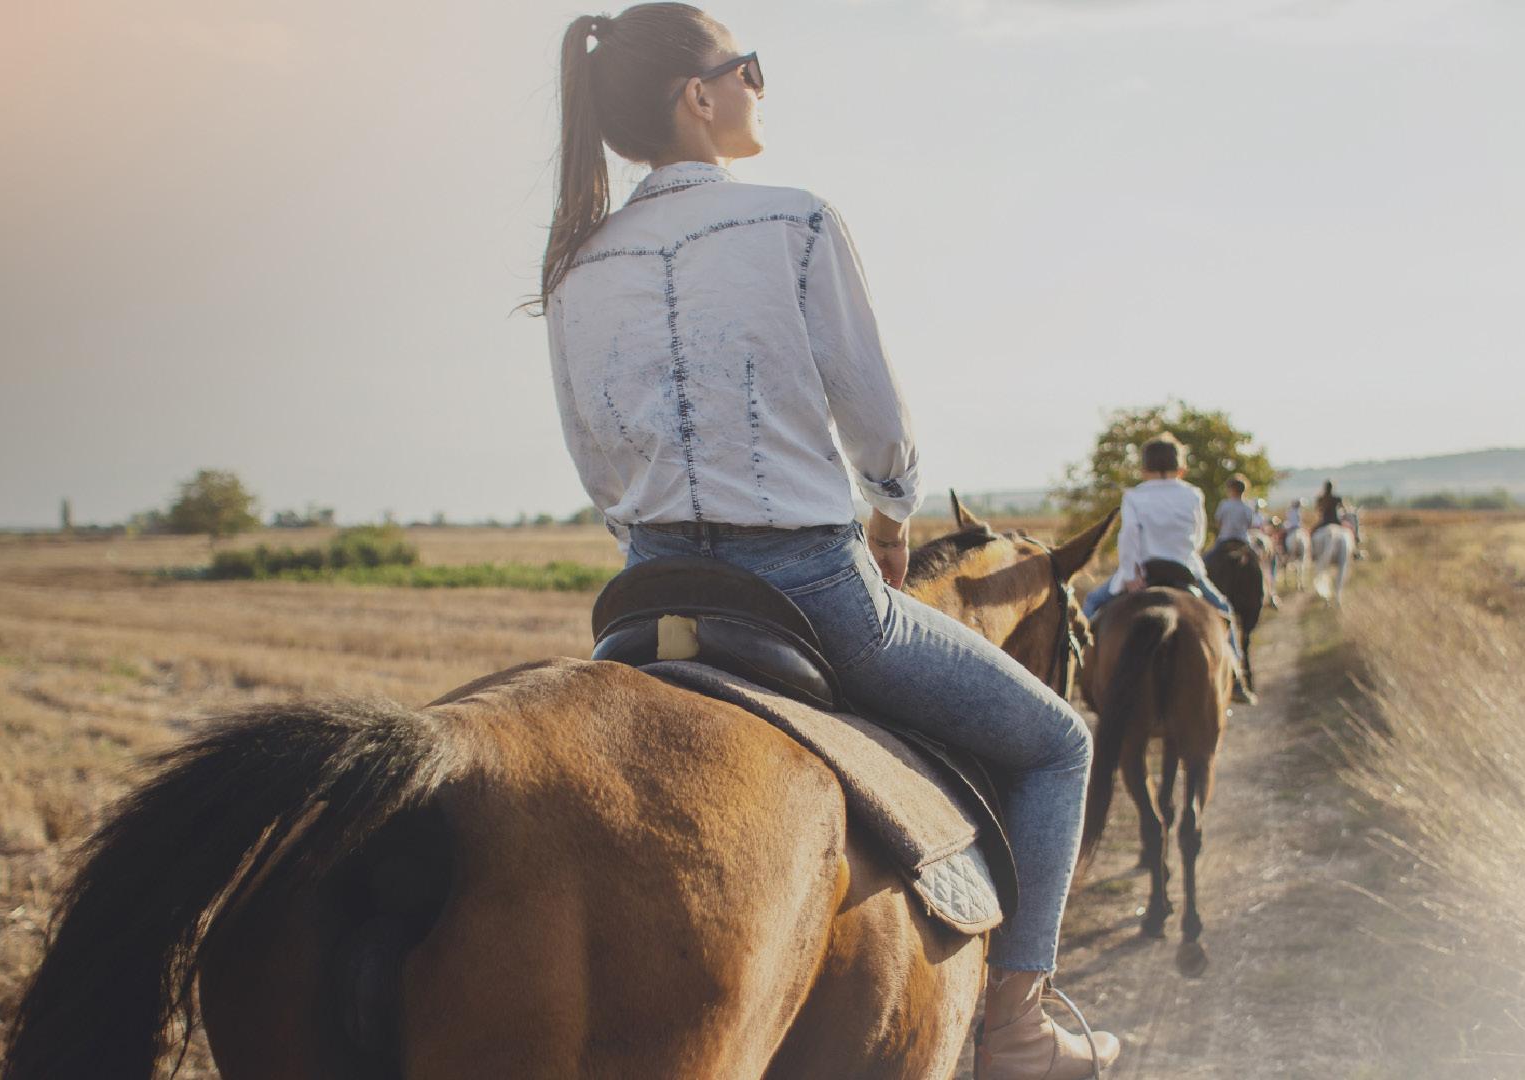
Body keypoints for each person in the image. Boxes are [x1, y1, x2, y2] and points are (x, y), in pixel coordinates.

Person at [536, 6, 1117, 1075]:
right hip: (808, 591)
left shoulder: (572, 267)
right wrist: (891, 517)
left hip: (645, 600)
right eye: (747, 67)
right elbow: (879, 426)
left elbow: (599, 469)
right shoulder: (793, 220)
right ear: (697, 97)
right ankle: (1019, 1031)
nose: (760, 85)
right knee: (1056, 749)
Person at [1082, 435, 1255, 704]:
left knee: (1092, 603)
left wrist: (1130, 576)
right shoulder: (1193, 494)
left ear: (1144, 469)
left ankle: (1079, 669)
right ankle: (1236, 677)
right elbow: (1198, 537)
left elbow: (1129, 537)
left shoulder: (1134, 496)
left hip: (1143, 572)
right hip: (1184, 569)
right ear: (1181, 469)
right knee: (1224, 609)